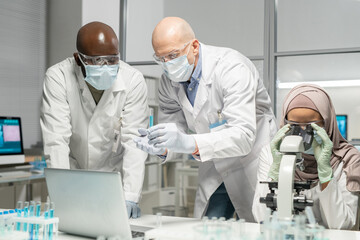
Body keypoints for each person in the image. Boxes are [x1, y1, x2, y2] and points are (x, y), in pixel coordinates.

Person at [134, 17, 277, 221]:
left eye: (173, 55)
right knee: (208, 228)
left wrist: (189, 142)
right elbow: (177, 132)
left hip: (252, 162)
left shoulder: (232, 68)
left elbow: (243, 136)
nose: (167, 65)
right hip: (214, 164)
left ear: (193, 46)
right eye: (160, 58)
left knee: (260, 226)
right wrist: (164, 147)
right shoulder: (168, 83)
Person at [40, 21, 149, 219]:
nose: (106, 67)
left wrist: (131, 195)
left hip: (113, 179)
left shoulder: (133, 80)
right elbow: (56, 141)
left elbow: (135, 141)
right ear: (79, 59)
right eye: (98, 60)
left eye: (113, 59)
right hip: (73, 174)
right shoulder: (58, 77)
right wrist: (62, 195)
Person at [253, 84, 360, 229]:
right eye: (294, 125)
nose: (303, 134)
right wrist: (277, 170)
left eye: (311, 126)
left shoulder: (348, 159)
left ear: (327, 122)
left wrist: (325, 173)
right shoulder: (272, 154)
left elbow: (342, 225)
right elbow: (261, 217)